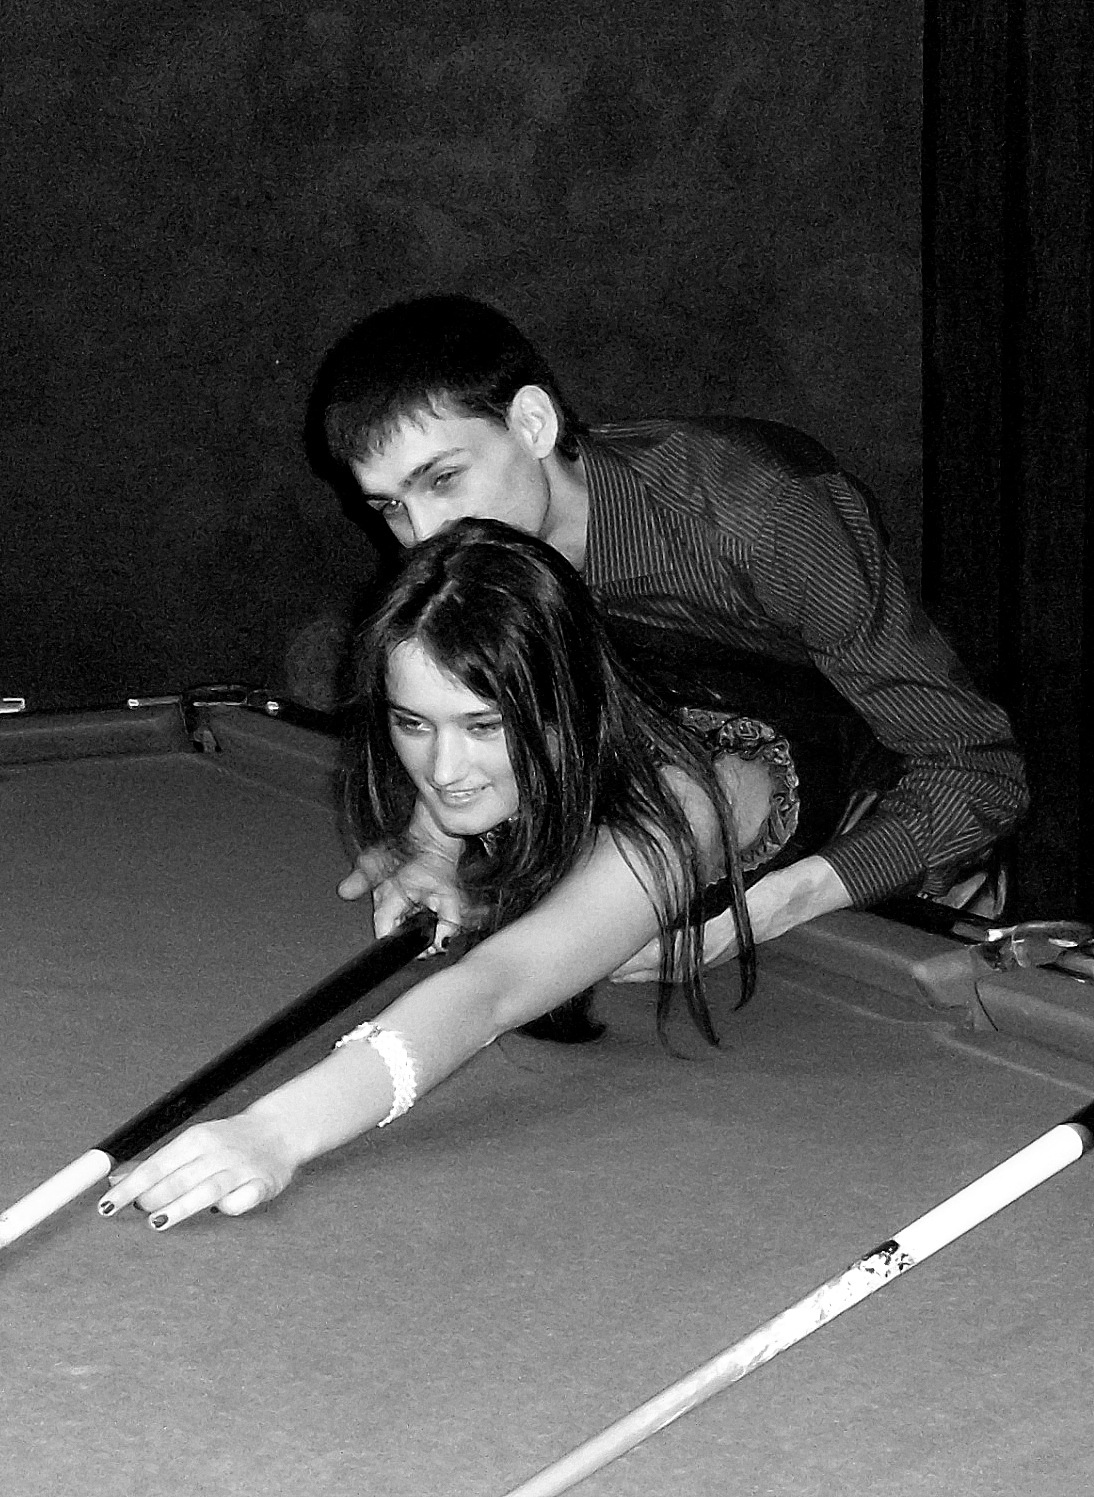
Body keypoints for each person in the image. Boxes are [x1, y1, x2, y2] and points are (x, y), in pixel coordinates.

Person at [307, 293, 1028, 978]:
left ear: (533, 424)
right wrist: (434, 844)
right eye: (390, 506)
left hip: (882, 845)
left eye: (443, 479)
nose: (423, 534)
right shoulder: (483, 558)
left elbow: (977, 768)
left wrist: (762, 913)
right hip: (686, 828)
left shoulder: (765, 520)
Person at [98, 519, 782, 1230]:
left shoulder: (680, 808)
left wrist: (275, 1131)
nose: (444, 768)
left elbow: (494, 988)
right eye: (413, 724)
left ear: (564, 708)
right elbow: (453, 785)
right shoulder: (512, 732)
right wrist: (431, 846)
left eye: (484, 726)